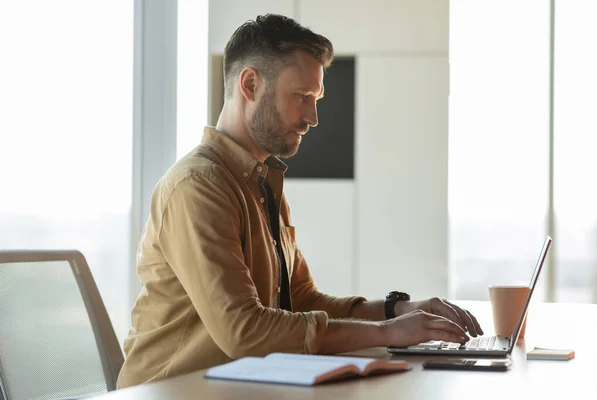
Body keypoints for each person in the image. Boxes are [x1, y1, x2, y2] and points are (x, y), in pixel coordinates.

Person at [116, 14, 483, 389]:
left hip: (239, 387)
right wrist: (389, 332)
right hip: (172, 391)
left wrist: (399, 310)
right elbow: (244, 331)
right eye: (302, 97)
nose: (313, 117)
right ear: (250, 84)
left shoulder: (262, 183)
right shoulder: (198, 186)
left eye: (316, 99)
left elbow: (302, 300)